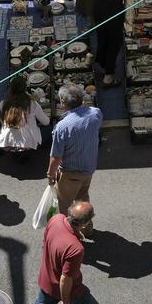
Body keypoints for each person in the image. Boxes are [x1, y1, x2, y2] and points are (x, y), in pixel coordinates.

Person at [10, 201, 117, 304]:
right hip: (69, 290)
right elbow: (65, 280)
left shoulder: (56, 219)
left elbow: (45, 241)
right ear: (85, 223)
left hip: (46, 279)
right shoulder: (75, 248)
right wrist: (66, 302)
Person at [47, 84, 102, 213]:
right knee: (82, 201)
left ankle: (68, 231)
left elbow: (56, 156)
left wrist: (50, 175)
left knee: (64, 206)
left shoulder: (62, 127)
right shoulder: (96, 113)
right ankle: (87, 228)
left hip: (70, 173)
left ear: (63, 103)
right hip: (89, 168)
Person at [0, 74, 49, 156]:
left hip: (7, 144)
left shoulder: (3, 103)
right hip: (27, 146)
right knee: (50, 128)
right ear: (25, 89)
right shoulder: (32, 103)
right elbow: (46, 122)